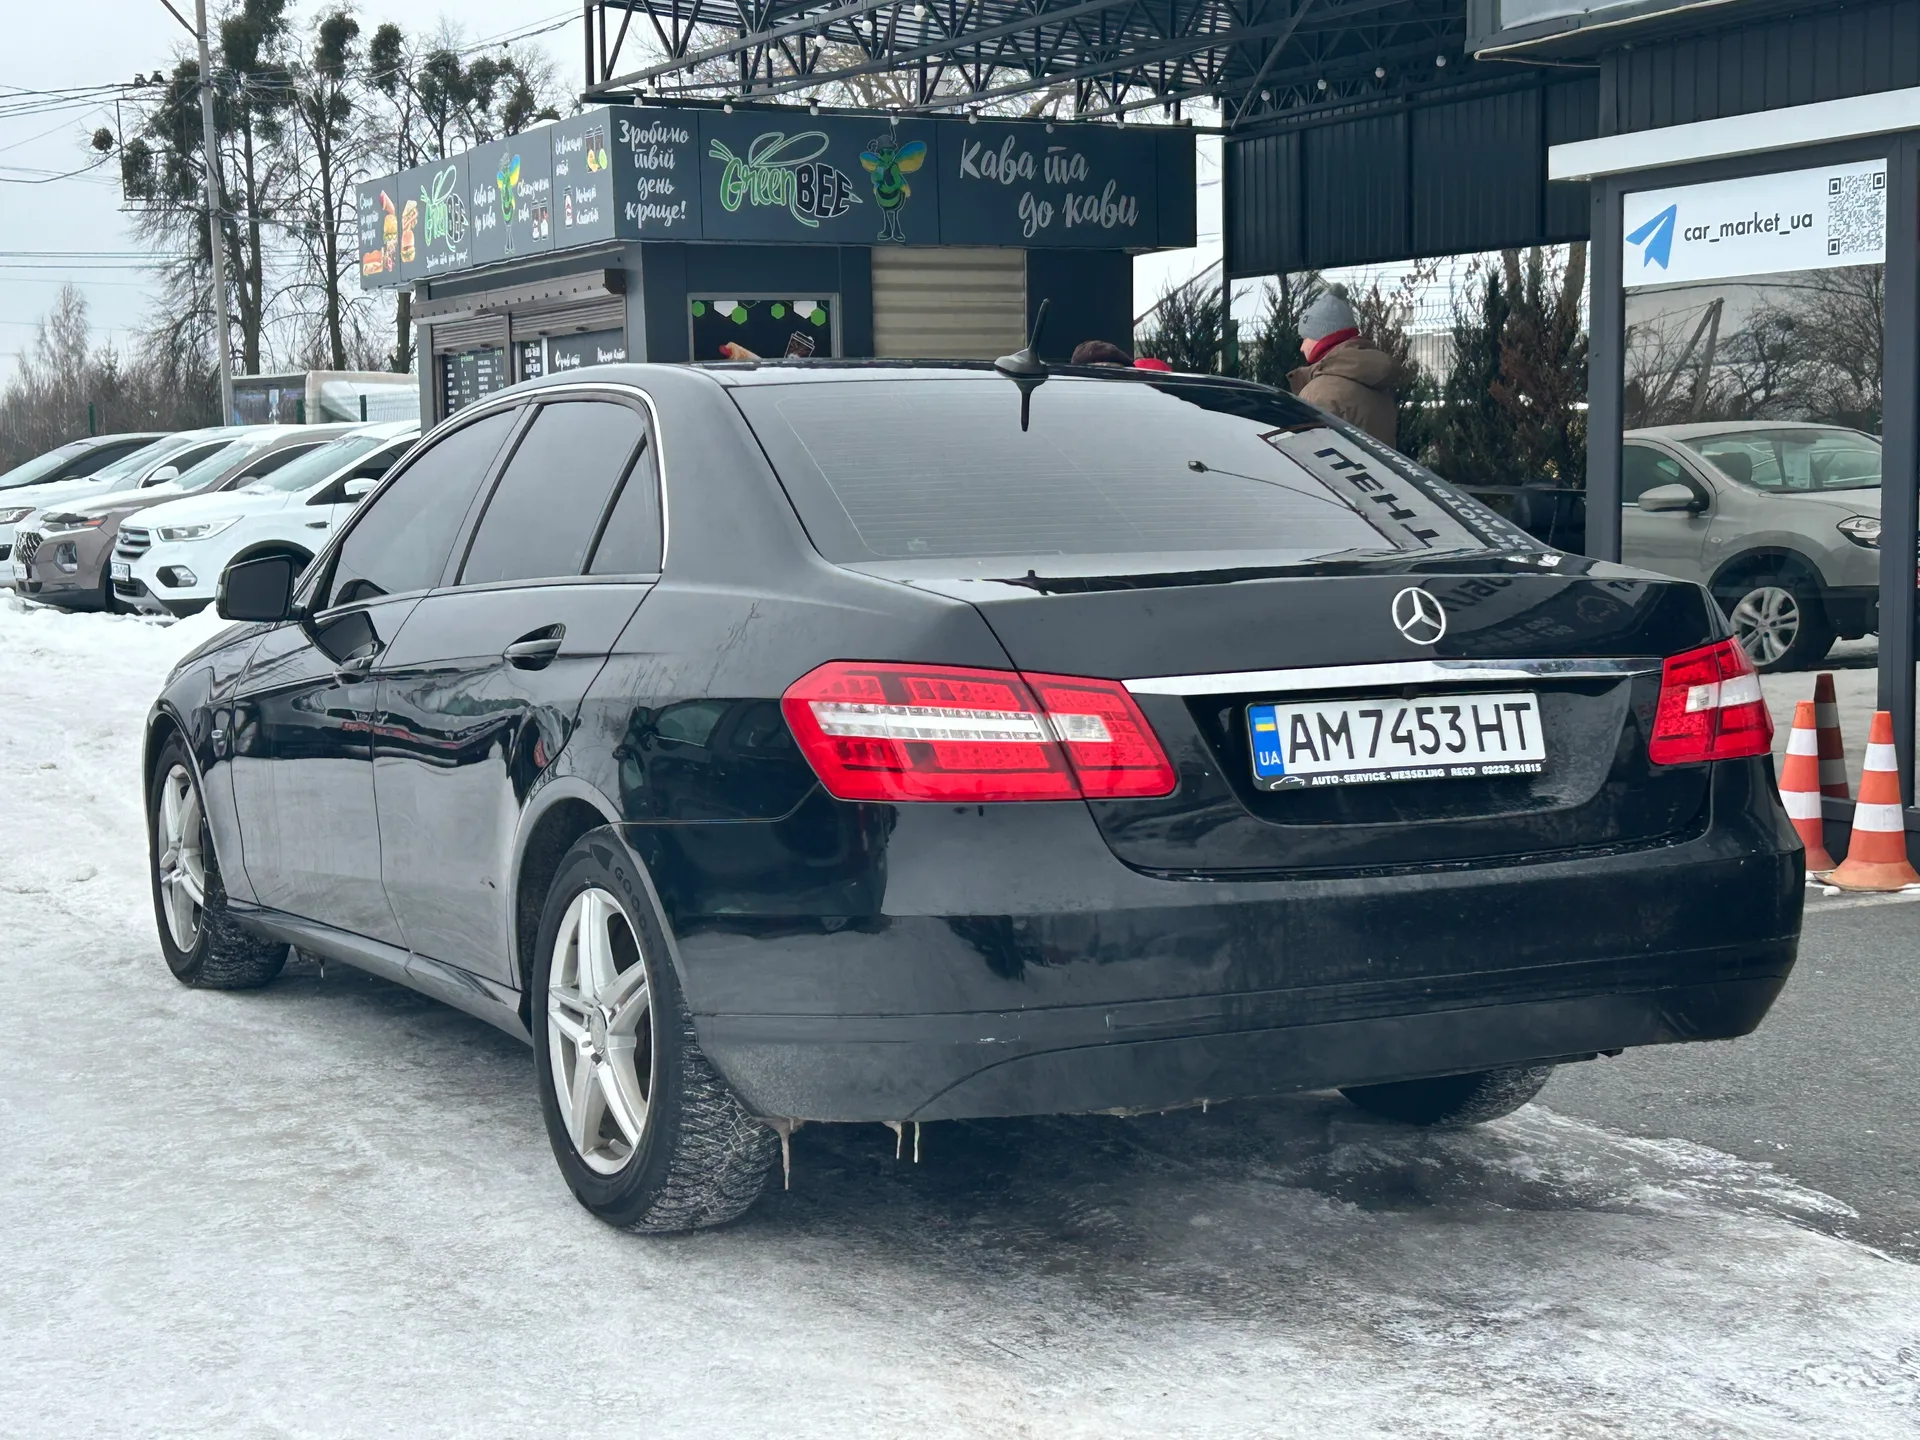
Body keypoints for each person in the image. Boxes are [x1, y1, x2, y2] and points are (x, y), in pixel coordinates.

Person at [1288, 289, 1398, 447]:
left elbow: (1305, 451)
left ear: (1323, 338)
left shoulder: (1320, 392)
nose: (1302, 347)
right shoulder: (1375, 381)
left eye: (1305, 338)